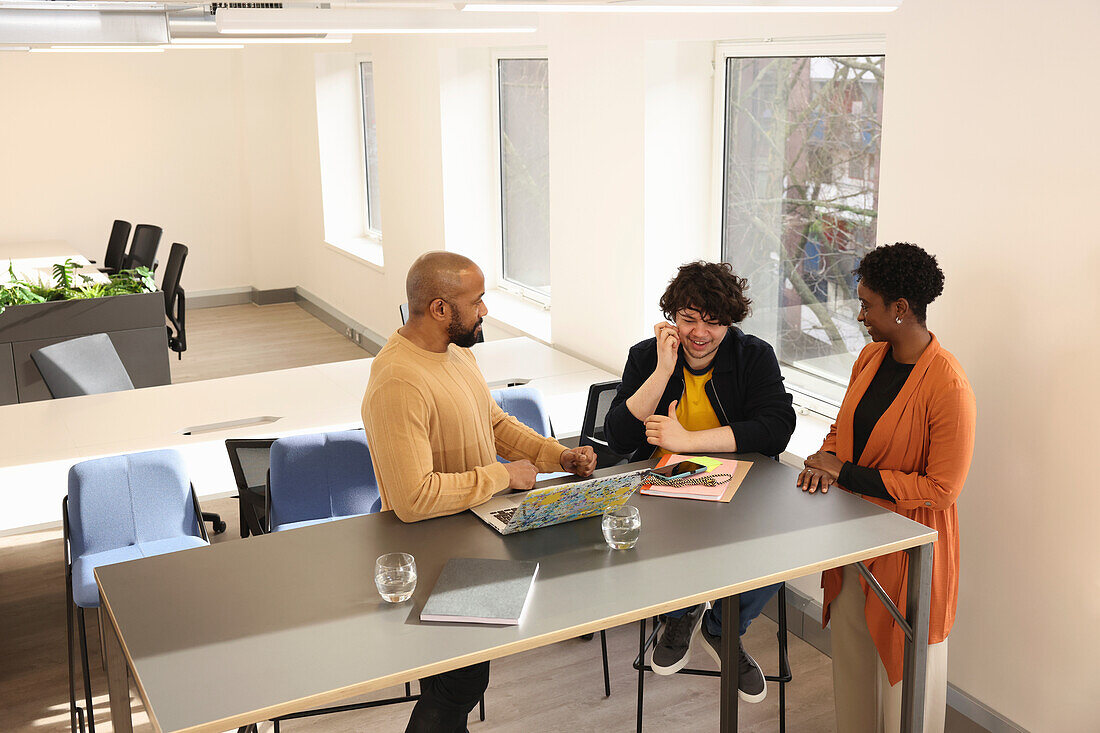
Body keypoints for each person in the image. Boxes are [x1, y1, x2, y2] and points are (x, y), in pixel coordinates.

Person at [362, 251, 597, 733]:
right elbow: (413, 498)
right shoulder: (398, 382)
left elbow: (493, 424)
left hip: (473, 538)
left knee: (461, 684)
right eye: (478, 300)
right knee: (457, 688)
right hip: (431, 552)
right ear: (440, 309)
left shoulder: (458, 353)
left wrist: (558, 456)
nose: (485, 311)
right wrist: (502, 477)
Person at [797, 242, 976, 733]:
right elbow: (842, 429)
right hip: (854, 536)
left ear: (901, 309)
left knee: (907, 687)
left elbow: (942, 490)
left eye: (866, 304)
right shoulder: (869, 359)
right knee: (853, 665)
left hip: (911, 552)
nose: (860, 315)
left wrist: (845, 473)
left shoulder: (949, 385)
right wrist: (822, 462)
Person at [603, 260, 796, 702]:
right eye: (688, 319)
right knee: (651, 539)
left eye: (713, 322)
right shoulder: (647, 356)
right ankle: (681, 612)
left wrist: (688, 440)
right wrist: (661, 371)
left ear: (730, 322)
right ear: (672, 317)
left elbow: (777, 425)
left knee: (783, 547)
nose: (699, 333)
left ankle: (723, 628)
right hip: (664, 486)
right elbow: (617, 435)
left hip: (741, 487)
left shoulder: (754, 356)